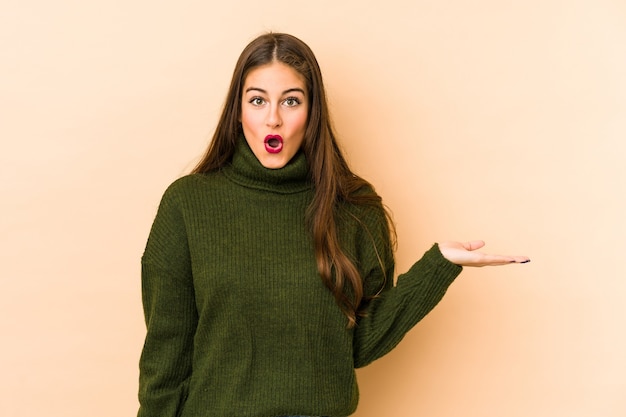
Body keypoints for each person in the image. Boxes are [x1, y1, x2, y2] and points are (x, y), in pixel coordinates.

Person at [137, 32, 529, 417]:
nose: (273, 119)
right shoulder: (188, 204)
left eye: (291, 101)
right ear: (238, 111)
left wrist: (438, 266)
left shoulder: (354, 207)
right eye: (257, 100)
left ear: (313, 112)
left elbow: (354, 346)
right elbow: (165, 357)